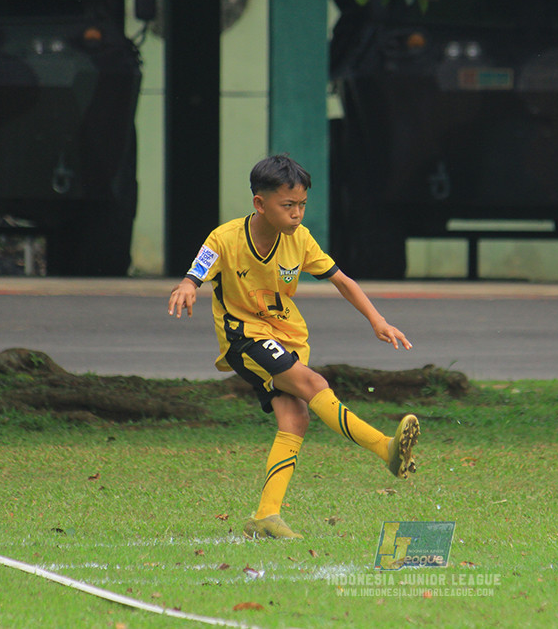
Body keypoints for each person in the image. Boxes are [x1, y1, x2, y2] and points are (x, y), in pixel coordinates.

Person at [167, 154, 419, 540]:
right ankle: (385, 448)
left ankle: (265, 516)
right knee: (314, 384)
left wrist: (377, 320)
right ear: (260, 203)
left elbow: (342, 280)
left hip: (286, 337)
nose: (297, 214)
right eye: (288, 205)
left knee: (295, 419)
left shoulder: (300, 239)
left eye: (302, 204)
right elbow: (196, 272)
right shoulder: (224, 238)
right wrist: (187, 286)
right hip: (244, 337)